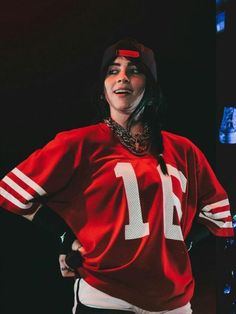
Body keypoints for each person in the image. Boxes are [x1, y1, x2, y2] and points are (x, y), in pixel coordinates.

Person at [0, 37, 234, 314]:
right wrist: (67, 237)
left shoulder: (184, 150)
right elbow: (11, 193)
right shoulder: (79, 143)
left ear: (150, 84)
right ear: (103, 88)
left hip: (173, 299)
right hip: (105, 294)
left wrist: (184, 242)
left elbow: (220, 213)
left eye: (134, 70)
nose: (122, 77)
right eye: (113, 70)